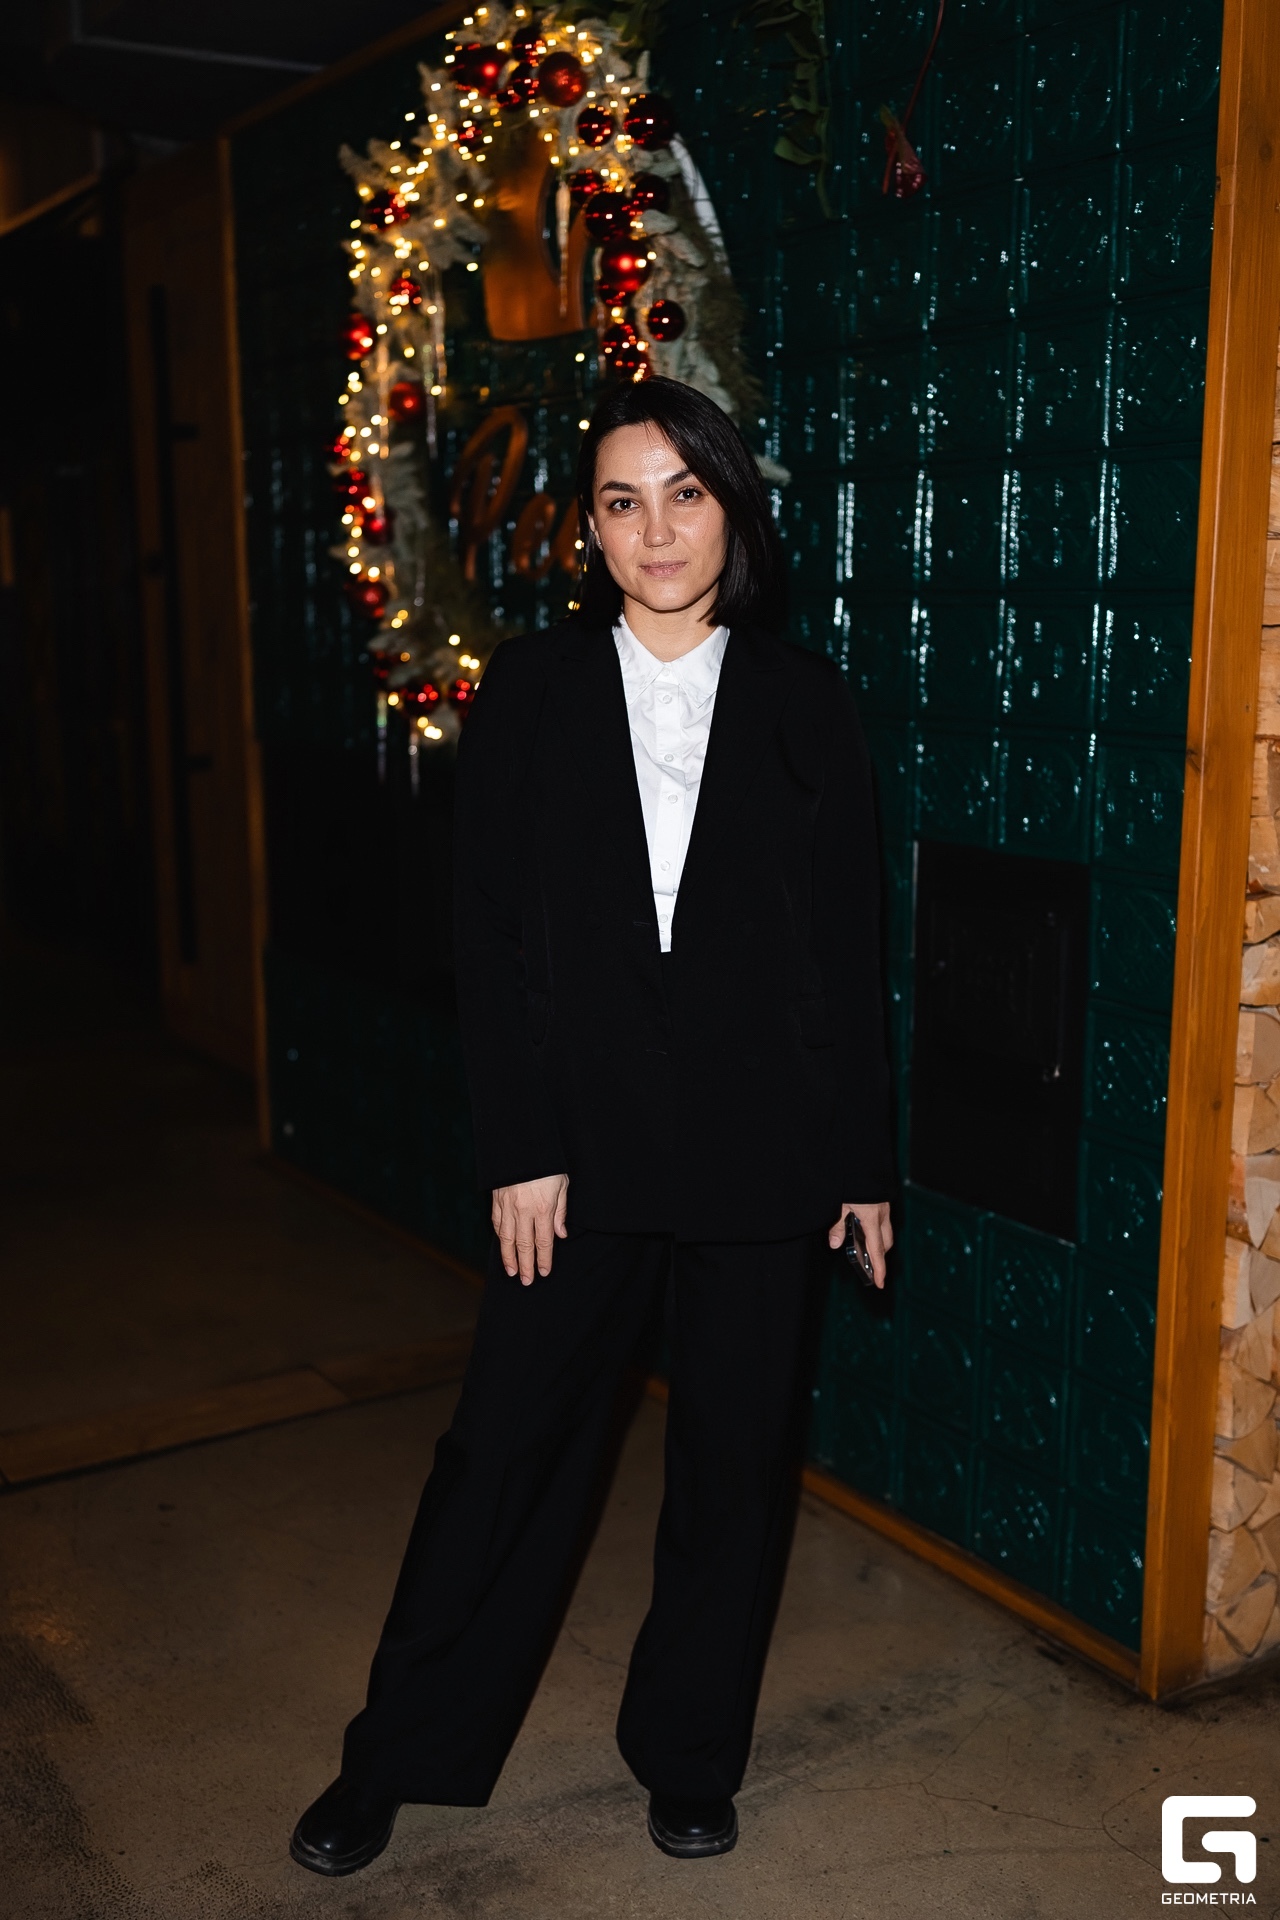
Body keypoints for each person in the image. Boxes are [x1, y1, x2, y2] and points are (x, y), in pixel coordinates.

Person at [290, 376, 894, 1876]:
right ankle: (394, 1755)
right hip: (580, 1151)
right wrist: (520, 1143)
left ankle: (688, 1756)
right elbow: (490, 936)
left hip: (763, 1151)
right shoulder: (532, 690)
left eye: (686, 494)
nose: (657, 529)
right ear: (592, 530)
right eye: (625, 501)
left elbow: (844, 949)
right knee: (500, 1455)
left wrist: (860, 1165)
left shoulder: (806, 699)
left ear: (732, 511)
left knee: (734, 1470)